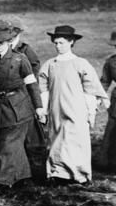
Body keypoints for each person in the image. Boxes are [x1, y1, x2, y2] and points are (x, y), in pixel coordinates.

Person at [0, 20, 46, 194]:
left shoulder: (21, 59)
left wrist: (39, 107)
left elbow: (32, 85)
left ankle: (0, 181)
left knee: (8, 144)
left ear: (8, 42)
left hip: (18, 108)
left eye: (1, 42)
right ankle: (22, 177)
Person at [39, 25, 109, 185]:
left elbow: (90, 90)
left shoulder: (80, 63)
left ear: (71, 42)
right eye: (55, 43)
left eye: (62, 43)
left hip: (76, 109)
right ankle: (57, 173)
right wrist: (43, 108)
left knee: (77, 139)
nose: (58, 46)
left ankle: (80, 174)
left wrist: (90, 111)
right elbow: (43, 88)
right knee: (57, 138)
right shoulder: (50, 64)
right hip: (56, 108)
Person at [8, 17, 48, 182]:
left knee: (33, 138)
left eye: (12, 33)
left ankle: (37, 172)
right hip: (9, 102)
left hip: (25, 99)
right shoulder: (1, 50)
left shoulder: (25, 50)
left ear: (18, 33)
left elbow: (33, 77)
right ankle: (17, 172)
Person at [99, 29, 116, 172]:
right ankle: (109, 164)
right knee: (112, 132)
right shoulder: (111, 62)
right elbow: (104, 82)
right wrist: (97, 98)